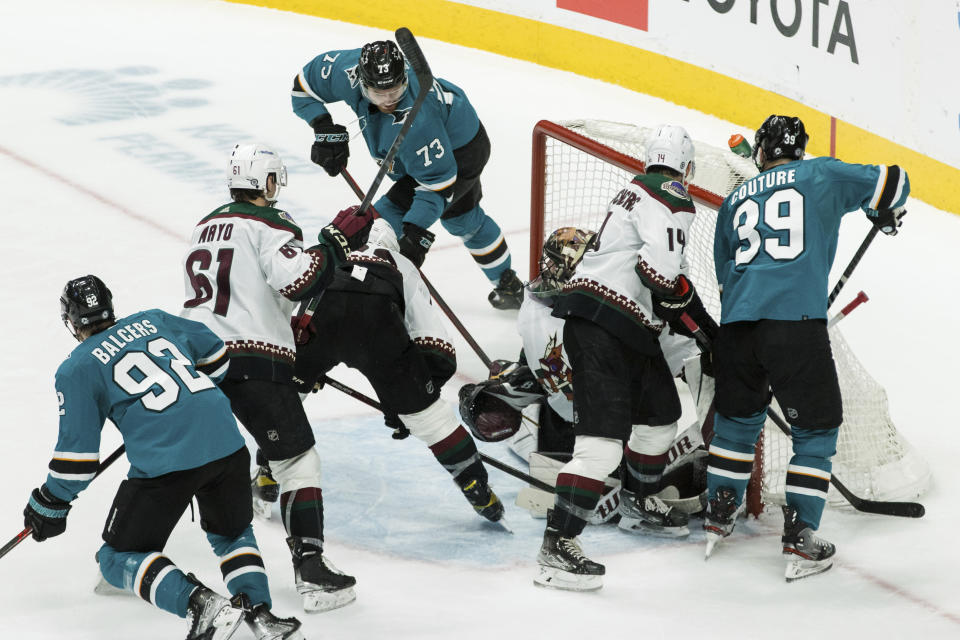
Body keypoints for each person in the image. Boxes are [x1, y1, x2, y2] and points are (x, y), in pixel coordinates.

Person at [23, 275, 302, 640]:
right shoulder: (154, 319)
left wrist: (49, 502)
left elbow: (77, 462)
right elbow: (217, 358)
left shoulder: (76, 368)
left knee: (114, 559)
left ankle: (200, 603)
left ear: (72, 323)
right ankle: (262, 616)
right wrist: (188, 405)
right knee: (231, 534)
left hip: (168, 464)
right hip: (227, 443)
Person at [705, 115, 909, 581]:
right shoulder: (820, 173)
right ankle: (799, 535)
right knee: (816, 432)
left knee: (735, 425)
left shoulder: (735, 197)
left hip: (736, 327)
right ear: (800, 148)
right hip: (795, 326)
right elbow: (894, 181)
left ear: (761, 150)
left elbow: (723, 272)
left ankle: (719, 511)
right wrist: (882, 211)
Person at [519, 126, 718, 591]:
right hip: (606, 329)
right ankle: (557, 548)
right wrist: (693, 319)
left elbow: (668, 280)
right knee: (602, 448)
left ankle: (636, 499)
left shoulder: (631, 193)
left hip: (623, 329)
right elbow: (660, 275)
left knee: (660, 418)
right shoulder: (671, 194)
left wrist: (706, 329)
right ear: (686, 169)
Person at [181, 143, 374, 612]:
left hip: (193, 363)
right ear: (268, 183)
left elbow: (247, 290)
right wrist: (334, 245)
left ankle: (129, 546)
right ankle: (311, 571)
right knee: (297, 462)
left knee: (178, 462)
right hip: (252, 363)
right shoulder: (270, 224)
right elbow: (298, 279)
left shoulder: (204, 225)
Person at [458, 227, 714, 527]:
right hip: (592, 412)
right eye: (553, 263)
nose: (551, 269)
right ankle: (613, 493)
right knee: (632, 425)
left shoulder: (536, 299)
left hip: (581, 410)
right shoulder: (559, 305)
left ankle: (613, 484)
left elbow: (684, 354)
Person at [291, 218, 506, 526]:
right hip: (377, 319)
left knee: (285, 399)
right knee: (433, 421)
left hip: (325, 309)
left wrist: (305, 365)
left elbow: (299, 302)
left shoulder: (332, 253)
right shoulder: (402, 264)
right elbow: (435, 344)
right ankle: (475, 484)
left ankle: (269, 474)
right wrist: (410, 397)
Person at [291, 39, 525, 310]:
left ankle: (359, 306)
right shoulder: (347, 71)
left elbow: (436, 186)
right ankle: (508, 283)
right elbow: (302, 88)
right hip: (449, 132)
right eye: (380, 94)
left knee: (378, 226)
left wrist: (415, 232)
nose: (389, 100)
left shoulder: (419, 122)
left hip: (462, 150)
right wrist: (323, 129)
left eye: (396, 90)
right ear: (362, 82)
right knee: (463, 219)